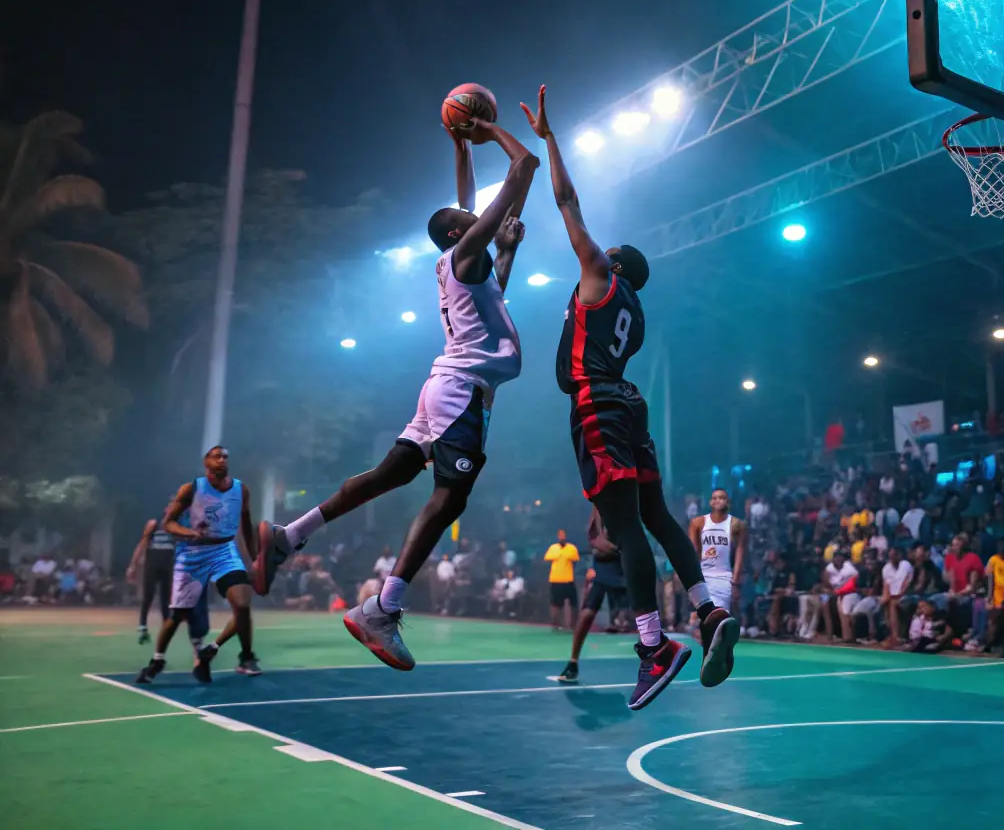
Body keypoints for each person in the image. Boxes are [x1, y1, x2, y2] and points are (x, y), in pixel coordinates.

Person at [251, 115, 537, 669]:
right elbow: (525, 167)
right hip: (461, 390)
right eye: (468, 218)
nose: (474, 214)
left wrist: (460, 148)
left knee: (391, 475)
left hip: (446, 386)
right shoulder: (463, 253)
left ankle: (287, 536)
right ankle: (383, 606)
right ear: (459, 233)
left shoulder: (467, 261)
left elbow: (474, 219)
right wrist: (488, 128)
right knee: (450, 497)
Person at [520, 85, 737, 710]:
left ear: (613, 262)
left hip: (597, 405)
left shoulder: (598, 275)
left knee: (624, 527)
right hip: (627, 404)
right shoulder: (635, 317)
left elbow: (565, 199)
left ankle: (653, 647)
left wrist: (550, 139)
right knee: (660, 518)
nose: (597, 245)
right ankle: (708, 613)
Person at [136, 447, 260, 683]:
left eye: (226, 456)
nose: (222, 459)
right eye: (217, 456)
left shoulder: (240, 489)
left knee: (243, 605)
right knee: (178, 614)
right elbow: (168, 523)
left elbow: (246, 526)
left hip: (224, 550)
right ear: (206, 463)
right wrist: (190, 532)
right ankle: (157, 660)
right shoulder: (192, 488)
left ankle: (228, 652)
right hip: (193, 554)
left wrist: (254, 559)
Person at [557, 509, 629, 683]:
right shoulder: (598, 505)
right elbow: (594, 540)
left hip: (625, 566)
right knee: (587, 613)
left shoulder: (628, 500)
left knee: (636, 614)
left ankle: (655, 659)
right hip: (604, 568)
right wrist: (611, 548)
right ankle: (573, 662)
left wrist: (620, 549)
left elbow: (631, 539)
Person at [689, 488, 747, 619]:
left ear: (728, 502)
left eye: (721, 498)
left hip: (724, 576)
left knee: (720, 618)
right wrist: (692, 576)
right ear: (710, 502)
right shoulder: (698, 522)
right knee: (698, 617)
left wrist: (736, 579)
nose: (717, 500)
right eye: (714, 498)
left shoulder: (736, 524)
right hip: (702, 576)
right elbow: (694, 551)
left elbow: (740, 551)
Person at [126, 517, 177, 644]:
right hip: (152, 567)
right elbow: (142, 545)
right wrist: (133, 565)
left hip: (168, 567)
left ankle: (166, 628)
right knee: (148, 596)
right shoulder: (154, 526)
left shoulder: (175, 528)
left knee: (166, 599)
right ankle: (143, 627)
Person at [544, 530, 581, 630]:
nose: (562, 537)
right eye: (560, 535)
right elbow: (547, 557)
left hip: (568, 579)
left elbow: (576, 558)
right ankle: (557, 624)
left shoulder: (571, 548)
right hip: (556, 579)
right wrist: (559, 555)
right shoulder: (553, 548)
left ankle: (573, 624)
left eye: (563, 535)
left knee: (573, 603)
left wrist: (565, 556)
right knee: (556, 603)